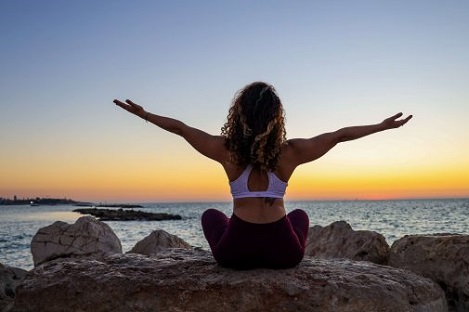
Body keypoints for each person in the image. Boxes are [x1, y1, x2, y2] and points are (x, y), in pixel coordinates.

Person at [113, 81, 412, 269]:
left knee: (210, 216)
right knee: (301, 217)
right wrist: (381, 126)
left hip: (235, 253)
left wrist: (145, 115)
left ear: (238, 115)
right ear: (276, 118)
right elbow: (339, 135)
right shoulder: (290, 152)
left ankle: (238, 229)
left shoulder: (226, 150)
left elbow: (181, 128)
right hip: (284, 253)